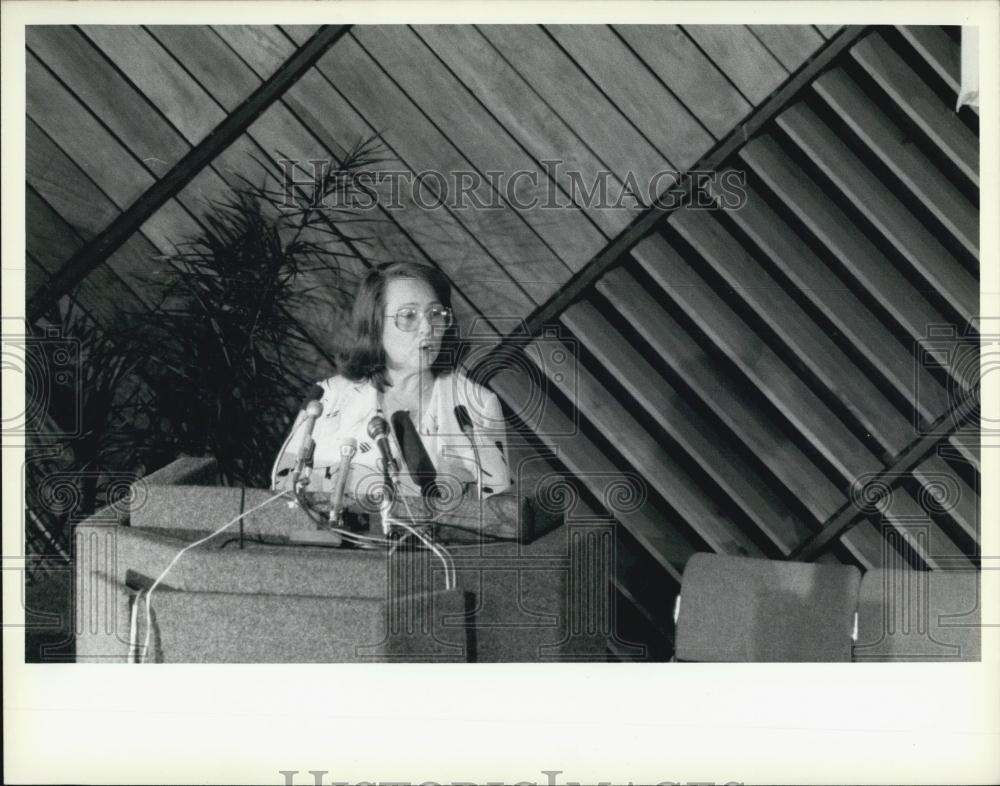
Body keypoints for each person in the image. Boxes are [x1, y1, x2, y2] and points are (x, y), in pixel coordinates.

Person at [271, 261, 511, 507]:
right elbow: (284, 490)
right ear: (375, 325)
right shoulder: (327, 397)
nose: (428, 327)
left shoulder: (477, 404)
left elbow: (498, 511)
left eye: (436, 314)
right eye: (408, 315)